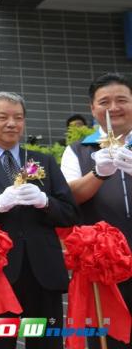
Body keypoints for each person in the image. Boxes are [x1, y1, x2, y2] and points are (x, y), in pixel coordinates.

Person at [0, 91, 78, 349]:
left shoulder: (43, 161)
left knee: (45, 341)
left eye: (18, 118)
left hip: (42, 268)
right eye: (3, 117)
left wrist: (45, 202)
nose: (12, 123)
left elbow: (69, 212)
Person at [60, 73, 132, 348]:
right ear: (92, 108)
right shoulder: (78, 150)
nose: (113, 107)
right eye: (104, 102)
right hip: (103, 263)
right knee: (109, 339)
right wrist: (97, 173)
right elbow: (70, 197)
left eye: (122, 100)